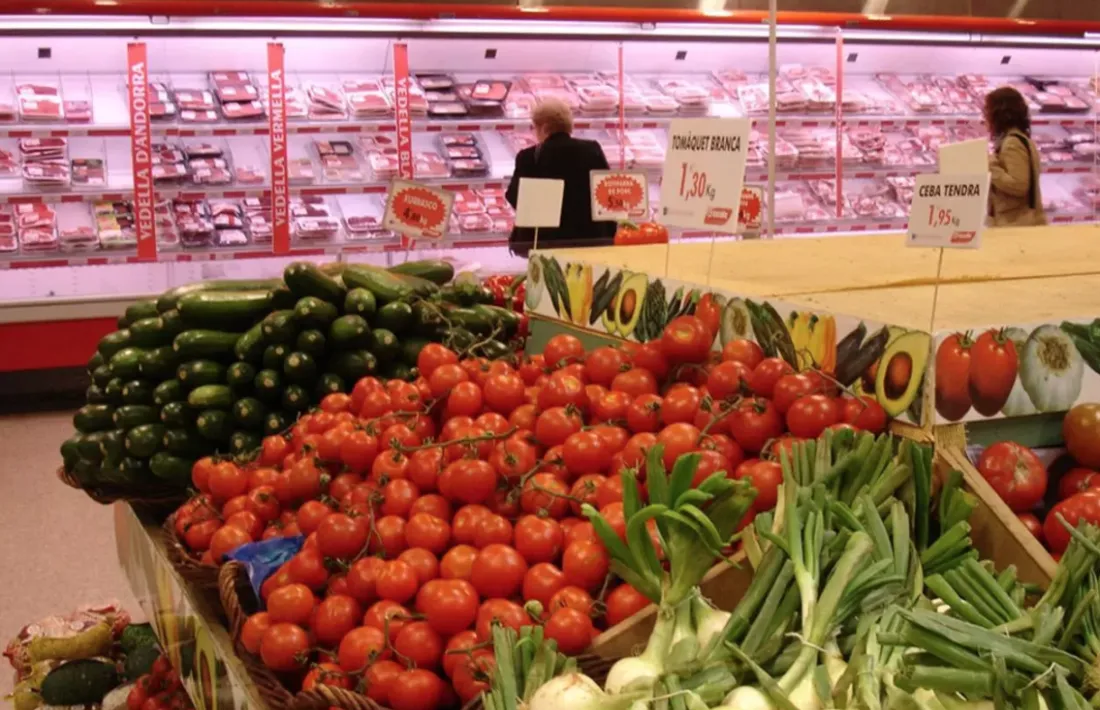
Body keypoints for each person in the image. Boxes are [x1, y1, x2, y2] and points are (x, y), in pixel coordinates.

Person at [505, 98, 616, 256]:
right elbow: (606, 192)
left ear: (543, 128)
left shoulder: (529, 157)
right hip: (591, 238)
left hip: (545, 241)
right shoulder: (592, 149)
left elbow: (516, 197)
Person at [984, 86, 1047, 227]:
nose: (985, 117)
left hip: (1016, 224)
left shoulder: (1013, 142)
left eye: (987, 111)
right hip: (1019, 222)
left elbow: (1019, 185)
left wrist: (990, 165)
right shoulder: (1019, 138)